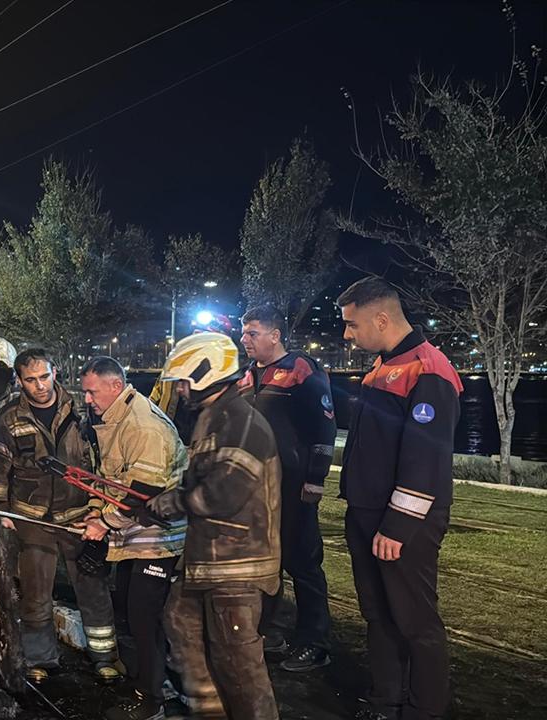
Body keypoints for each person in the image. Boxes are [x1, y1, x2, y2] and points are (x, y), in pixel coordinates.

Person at [336, 277, 462, 720]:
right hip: (367, 513)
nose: (347, 335)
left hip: (403, 522)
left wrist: (397, 526)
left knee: (415, 622)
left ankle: (424, 709)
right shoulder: (384, 365)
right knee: (378, 615)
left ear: (381, 318)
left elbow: (424, 461)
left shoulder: (428, 370)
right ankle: (386, 701)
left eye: (352, 325)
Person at [146, 333, 281, 720]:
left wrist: (174, 502)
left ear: (205, 374)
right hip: (209, 559)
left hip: (237, 566)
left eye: (184, 381)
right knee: (179, 619)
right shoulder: (214, 418)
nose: (181, 390)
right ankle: (211, 710)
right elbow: (202, 479)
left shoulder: (239, 421)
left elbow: (224, 492)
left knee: (240, 668)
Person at [0, 348, 120, 682]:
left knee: (92, 589)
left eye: (44, 377)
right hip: (33, 520)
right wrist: (1, 511)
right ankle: (40, 660)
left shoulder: (82, 410)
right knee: (35, 593)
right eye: (30, 380)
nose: (39, 385)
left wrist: (99, 511)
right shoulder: (9, 419)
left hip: (79, 516)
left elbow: (100, 461)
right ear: (19, 381)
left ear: (55, 372)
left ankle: (105, 657)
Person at [78, 357, 187, 720]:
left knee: (143, 614)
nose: (88, 400)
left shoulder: (142, 425)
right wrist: (95, 510)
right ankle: (158, 683)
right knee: (132, 607)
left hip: (158, 534)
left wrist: (103, 524)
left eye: (92, 392)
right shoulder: (115, 418)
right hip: (137, 533)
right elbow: (107, 476)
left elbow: (144, 490)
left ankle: (152, 700)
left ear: (114, 386)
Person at [238, 305, 336, 671]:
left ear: (275, 335)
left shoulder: (301, 370)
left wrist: (316, 478)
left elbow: (325, 428)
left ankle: (315, 643)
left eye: (252, 333)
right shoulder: (247, 376)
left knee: (303, 565)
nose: (244, 339)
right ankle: (272, 634)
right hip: (256, 490)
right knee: (266, 564)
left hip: (294, 487)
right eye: (244, 332)